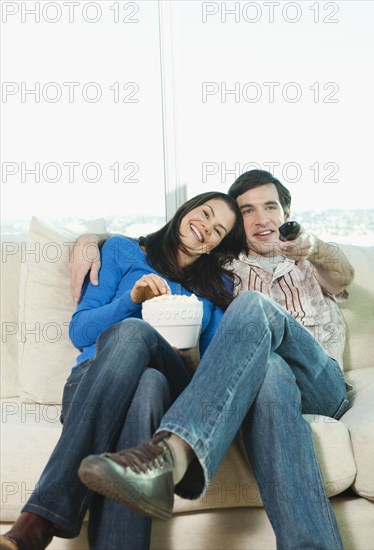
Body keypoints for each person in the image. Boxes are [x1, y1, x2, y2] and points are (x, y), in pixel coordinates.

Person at [74, 170, 355, 549]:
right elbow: (164, 247)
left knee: (254, 306)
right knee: (270, 371)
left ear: (286, 211)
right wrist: (91, 240)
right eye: (248, 211)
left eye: (270, 207)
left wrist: (313, 245)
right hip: (265, 383)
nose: (261, 219)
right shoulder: (223, 269)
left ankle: (171, 454)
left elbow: (344, 274)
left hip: (321, 382)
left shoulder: (309, 259)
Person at [0, 192, 247, 550]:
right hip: (94, 381)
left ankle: (39, 519)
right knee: (144, 379)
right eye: (204, 213)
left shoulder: (217, 287)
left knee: (141, 344)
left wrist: (188, 349)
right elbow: (80, 331)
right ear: (185, 210)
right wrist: (131, 301)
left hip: (173, 385)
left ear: (214, 247)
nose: (205, 227)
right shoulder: (121, 251)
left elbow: (210, 375)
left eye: (217, 230)